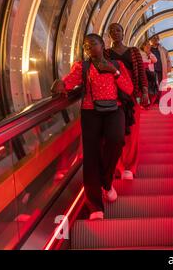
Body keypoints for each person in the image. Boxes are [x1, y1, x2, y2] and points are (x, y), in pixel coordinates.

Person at [51, 33, 133, 220]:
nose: (89, 48)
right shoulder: (83, 66)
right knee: (91, 156)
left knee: (116, 140)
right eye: (86, 45)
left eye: (93, 44)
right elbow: (70, 81)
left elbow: (128, 89)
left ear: (103, 45)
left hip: (114, 109)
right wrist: (60, 85)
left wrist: (114, 71)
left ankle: (106, 180)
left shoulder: (117, 65)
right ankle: (95, 205)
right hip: (91, 112)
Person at [105, 23, 148, 180]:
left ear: (123, 34)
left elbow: (141, 73)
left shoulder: (134, 52)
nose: (115, 33)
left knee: (132, 130)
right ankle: (118, 165)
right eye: (112, 31)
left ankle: (130, 166)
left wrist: (144, 91)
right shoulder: (106, 53)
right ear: (109, 36)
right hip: (113, 96)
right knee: (116, 132)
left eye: (118, 30)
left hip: (131, 96)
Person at [150, 34, 172, 100]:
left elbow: (168, 60)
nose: (155, 39)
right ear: (151, 40)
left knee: (160, 84)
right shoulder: (149, 49)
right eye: (154, 38)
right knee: (153, 84)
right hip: (152, 70)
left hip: (161, 70)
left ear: (159, 39)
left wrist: (168, 69)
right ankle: (154, 98)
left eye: (157, 38)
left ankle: (160, 98)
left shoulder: (163, 49)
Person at [140, 40, 158, 106]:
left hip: (150, 72)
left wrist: (149, 54)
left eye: (149, 45)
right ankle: (145, 102)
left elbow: (155, 60)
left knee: (150, 86)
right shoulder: (140, 53)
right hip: (143, 71)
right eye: (146, 45)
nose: (148, 46)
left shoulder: (150, 53)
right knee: (144, 86)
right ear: (143, 46)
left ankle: (150, 101)